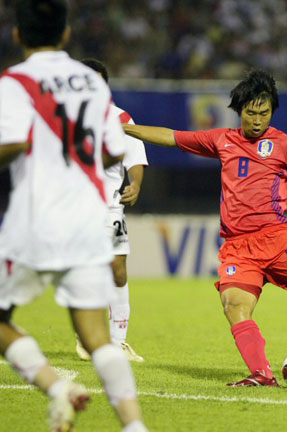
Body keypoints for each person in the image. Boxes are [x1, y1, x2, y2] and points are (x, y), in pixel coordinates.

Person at [123, 69, 287, 387]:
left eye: (264, 113)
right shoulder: (222, 139)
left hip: (278, 240)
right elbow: (171, 136)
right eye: (251, 112)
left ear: (271, 112)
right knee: (234, 305)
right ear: (240, 111)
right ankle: (262, 375)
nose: (257, 120)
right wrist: (126, 129)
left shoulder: (284, 145)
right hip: (238, 247)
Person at [0, 1, 148, 431]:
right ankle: (134, 425)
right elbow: (111, 149)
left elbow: (12, 142)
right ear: (65, 34)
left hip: (36, 219)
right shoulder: (91, 83)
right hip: (87, 221)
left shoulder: (15, 82)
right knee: (97, 338)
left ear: (16, 35)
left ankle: (55, 387)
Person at [75, 58, 148, 363]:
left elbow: (134, 158)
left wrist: (136, 184)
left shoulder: (121, 119)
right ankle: (86, 336)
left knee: (117, 271)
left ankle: (118, 341)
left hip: (109, 208)